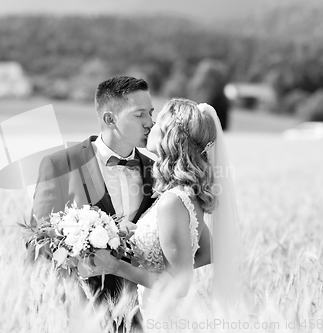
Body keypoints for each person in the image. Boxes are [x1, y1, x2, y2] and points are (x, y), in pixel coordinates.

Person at [31, 79, 212, 321]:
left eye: (151, 113)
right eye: (139, 115)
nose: (150, 122)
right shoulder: (60, 165)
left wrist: (149, 271)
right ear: (110, 119)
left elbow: (197, 249)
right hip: (77, 311)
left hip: (139, 313)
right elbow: (38, 241)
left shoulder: (158, 172)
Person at [79, 98, 238, 321]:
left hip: (164, 316)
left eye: (158, 122)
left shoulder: (172, 201)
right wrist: (147, 259)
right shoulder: (186, 194)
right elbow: (207, 251)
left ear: (169, 135)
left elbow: (179, 286)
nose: (150, 125)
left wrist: (117, 267)